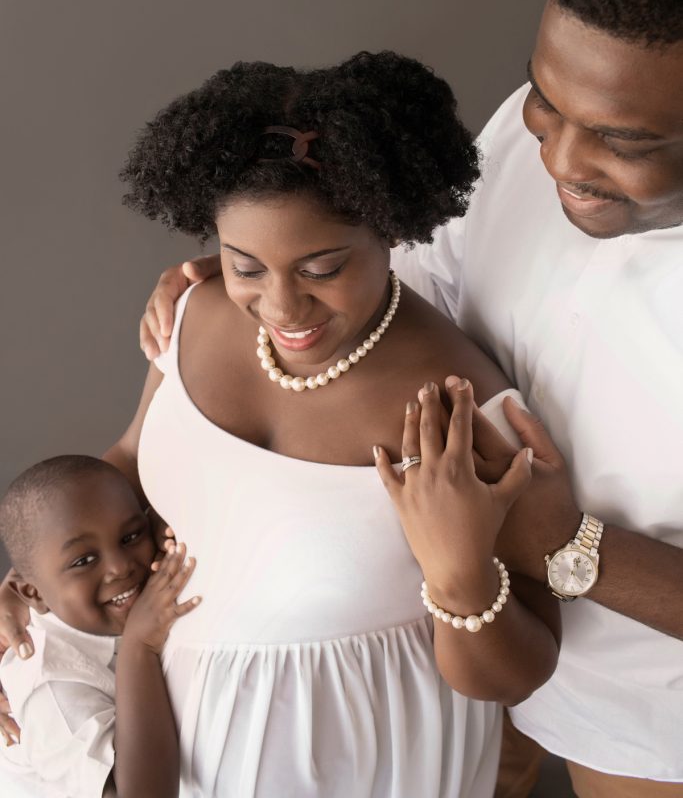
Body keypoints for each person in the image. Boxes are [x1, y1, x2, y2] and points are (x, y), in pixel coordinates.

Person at [133, 0, 683, 797]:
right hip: (451, 679)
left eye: (619, 141)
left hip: (643, 723)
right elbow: (416, 278)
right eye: (546, 101)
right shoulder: (530, 131)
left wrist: (567, 548)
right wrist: (263, 281)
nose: (556, 155)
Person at [0, 52, 560, 798]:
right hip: (171, 753)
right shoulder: (190, 315)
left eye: (323, 267)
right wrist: (34, 580)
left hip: (362, 761)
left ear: (391, 231)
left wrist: (459, 577)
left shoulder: (455, 407)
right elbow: (129, 469)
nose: (283, 308)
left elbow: (519, 674)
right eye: (246, 265)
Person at [0, 455, 200, 798]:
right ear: (32, 593)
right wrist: (140, 646)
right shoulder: (51, 689)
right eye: (83, 560)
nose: (121, 567)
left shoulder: (117, 611)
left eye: (131, 536)